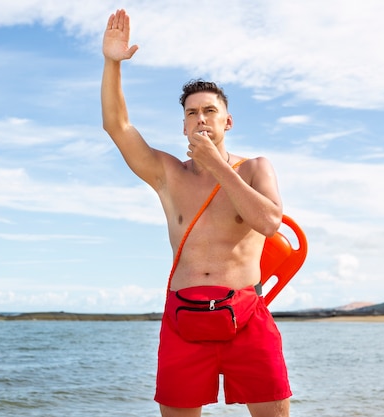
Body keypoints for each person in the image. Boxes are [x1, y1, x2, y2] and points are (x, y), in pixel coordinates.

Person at [101, 8, 291, 417]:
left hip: (247, 314)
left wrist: (218, 165)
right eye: (191, 113)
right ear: (183, 126)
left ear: (228, 121)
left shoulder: (257, 167)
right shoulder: (167, 174)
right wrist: (112, 64)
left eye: (209, 111)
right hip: (183, 316)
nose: (200, 118)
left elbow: (269, 222)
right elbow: (118, 127)